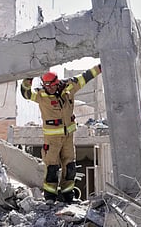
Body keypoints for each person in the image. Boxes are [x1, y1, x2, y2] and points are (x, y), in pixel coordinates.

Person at [20, 64, 102, 202]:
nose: (49, 88)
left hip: (68, 137)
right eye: (46, 85)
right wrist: (29, 76)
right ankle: (50, 196)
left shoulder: (69, 87)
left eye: (51, 85)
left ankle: (67, 194)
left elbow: (85, 77)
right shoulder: (41, 96)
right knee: (52, 167)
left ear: (56, 82)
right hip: (52, 140)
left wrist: (100, 67)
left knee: (69, 166)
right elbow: (25, 93)